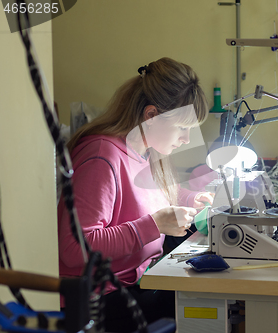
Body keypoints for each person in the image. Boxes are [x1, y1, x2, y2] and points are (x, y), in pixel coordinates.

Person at [57, 57, 213, 332]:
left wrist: (189, 199)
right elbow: (75, 248)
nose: (187, 139)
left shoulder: (144, 151)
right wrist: (152, 226)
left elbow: (156, 194)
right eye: (183, 128)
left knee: (205, 297)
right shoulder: (102, 156)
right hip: (99, 301)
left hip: (135, 282)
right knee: (201, 310)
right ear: (151, 115)